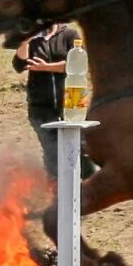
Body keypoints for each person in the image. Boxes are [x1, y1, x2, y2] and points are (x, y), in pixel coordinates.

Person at [13, 20, 88, 180]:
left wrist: (46, 67)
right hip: (40, 106)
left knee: (81, 149)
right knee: (52, 152)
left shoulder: (69, 35)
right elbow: (20, 65)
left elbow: (77, 64)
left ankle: (86, 190)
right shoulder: (33, 41)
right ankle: (57, 195)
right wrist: (25, 40)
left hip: (71, 102)